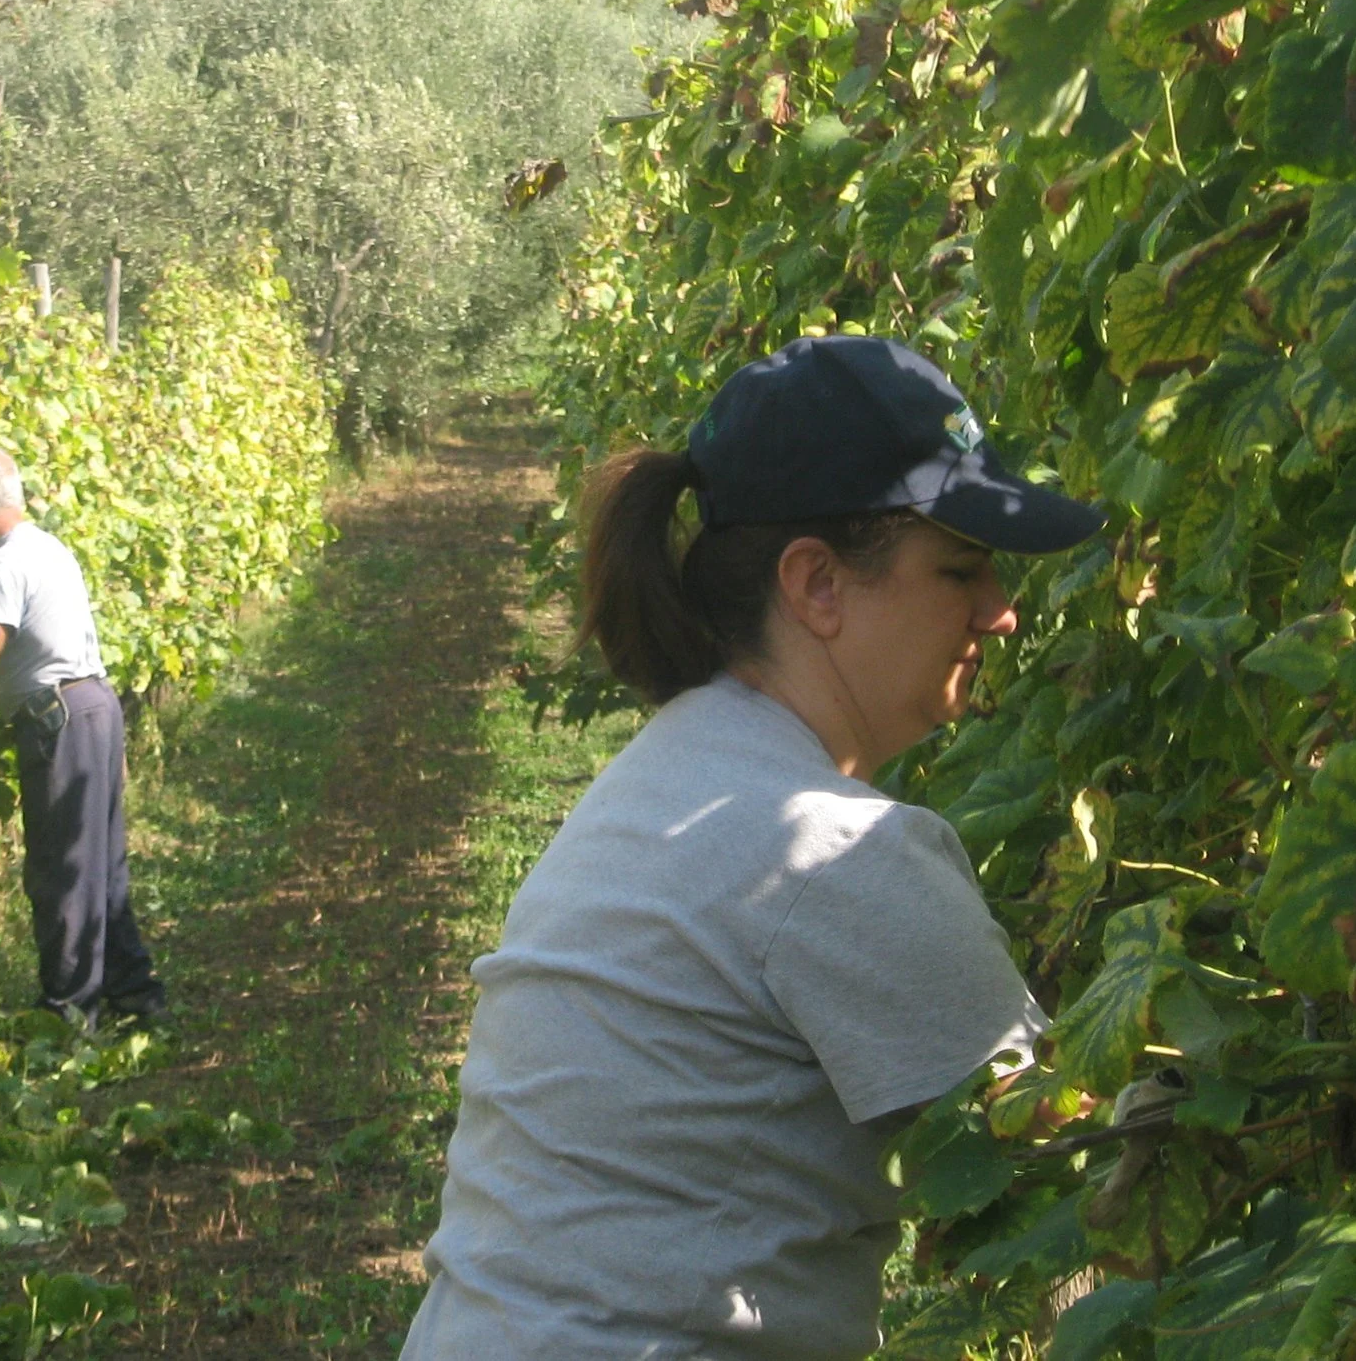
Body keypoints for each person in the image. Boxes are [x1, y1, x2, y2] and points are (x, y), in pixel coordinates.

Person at [399, 336, 1105, 1360]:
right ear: (816, 584)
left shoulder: (674, 771)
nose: (1000, 612)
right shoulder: (825, 852)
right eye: (959, 567)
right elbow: (1067, 1155)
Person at [0, 442, 167, 1026]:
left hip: (61, 722)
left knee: (62, 869)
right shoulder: (48, 546)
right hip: (95, 708)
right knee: (102, 861)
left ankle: (69, 1013)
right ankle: (132, 990)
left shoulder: (4, 559)